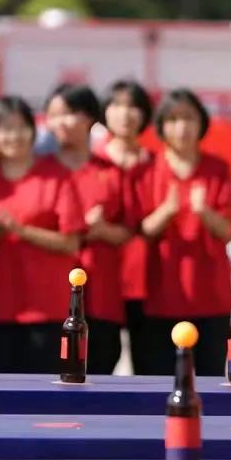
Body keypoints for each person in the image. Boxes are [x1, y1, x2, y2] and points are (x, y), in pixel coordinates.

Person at [0, 95, 85, 373]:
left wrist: (21, 231)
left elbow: (71, 242)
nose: (14, 136)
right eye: (5, 129)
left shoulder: (56, 175)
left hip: (46, 307)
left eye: (21, 127)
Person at [136, 88, 231, 376]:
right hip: (159, 297)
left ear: (201, 123)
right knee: (155, 384)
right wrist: (166, 211)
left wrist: (204, 211)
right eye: (173, 119)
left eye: (189, 118)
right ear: (161, 126)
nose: (182, 127)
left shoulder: (217, 169)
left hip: (210, 297)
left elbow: (227, 228)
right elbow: (140, 230)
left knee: (210, 382)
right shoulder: (149, 169)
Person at [46, 83, 133, 374]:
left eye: (67, 114)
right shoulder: (40, 170)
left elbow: (129, 231)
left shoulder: (109, 173)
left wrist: (102, 230)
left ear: (89, 119)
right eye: (53, 115)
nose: (59, 122)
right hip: (49, 298)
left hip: (100, 296)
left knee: (99, 373)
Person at [100, 79, 155, 373]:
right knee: (100, 363)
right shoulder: (92, 163)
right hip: (101, 282)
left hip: (150, 282)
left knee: (150, 365)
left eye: (133, 106)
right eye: (117, 105)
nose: (125, 114)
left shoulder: (158, 165)